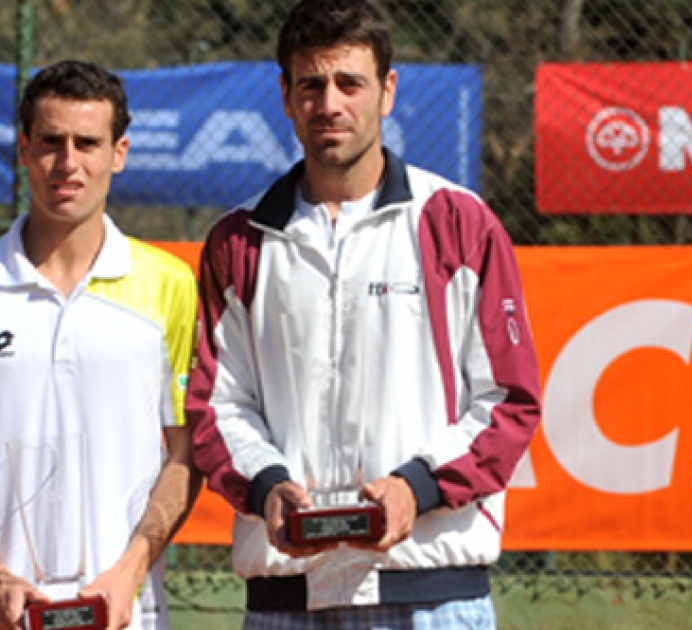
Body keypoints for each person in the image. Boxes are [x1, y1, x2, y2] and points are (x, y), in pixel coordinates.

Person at [186, 0, 542, 628]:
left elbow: (509, 401)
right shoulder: (237, 240)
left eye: (350, 82)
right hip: (286, 599)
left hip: (432, 594)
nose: (330, 103)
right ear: (286, 96)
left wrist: (416, 488)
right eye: (311, 84)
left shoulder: (459, 223)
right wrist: (268, 487)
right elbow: (217, 406)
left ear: (387, 91)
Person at [0, 59, 200, 630]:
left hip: (124, 616)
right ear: (23, 150)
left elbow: (186, 455)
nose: (69, 163)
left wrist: (129, 571)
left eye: (88, 143)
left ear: (120, 153)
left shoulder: (171, 285)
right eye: (51, 142)